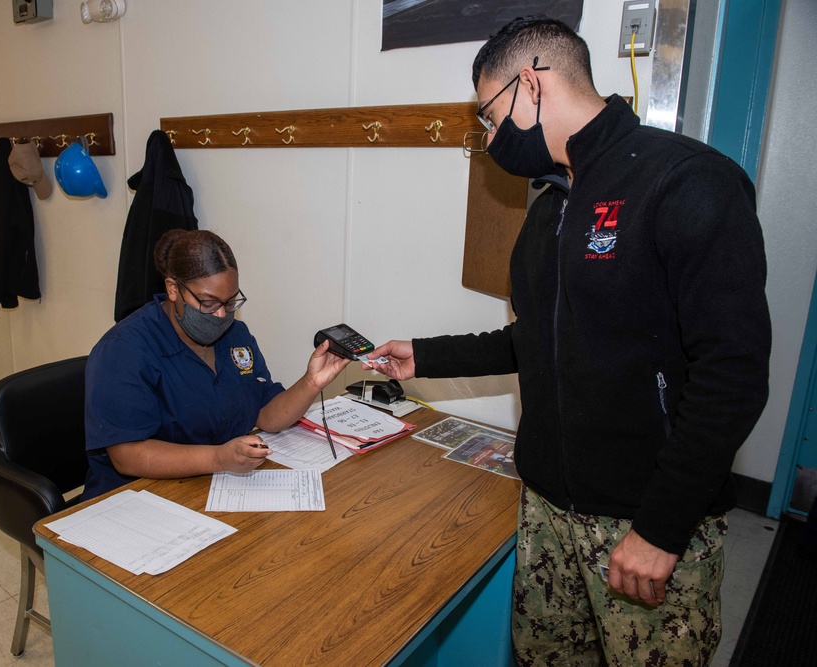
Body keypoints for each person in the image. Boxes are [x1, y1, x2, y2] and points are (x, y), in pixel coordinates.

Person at [367, 16, 771, 666]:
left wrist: (661, 526)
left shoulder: (686, 182)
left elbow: (733, 374)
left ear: (531, 84)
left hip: (643, 522)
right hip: (547, 512)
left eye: (489, 115)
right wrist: (426, 354)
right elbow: (533, 338)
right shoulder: (551, 203)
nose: (490, 136)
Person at [81, 229, 350, 501]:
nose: (221, 315)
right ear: (173, 289)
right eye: (208, 303)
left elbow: (266, 415)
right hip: (134, 500)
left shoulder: (236, 335)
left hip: (213, 489)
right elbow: (127, 456)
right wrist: (219, 458)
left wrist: (311, 382)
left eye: (230, 302)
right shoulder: (124, 349)